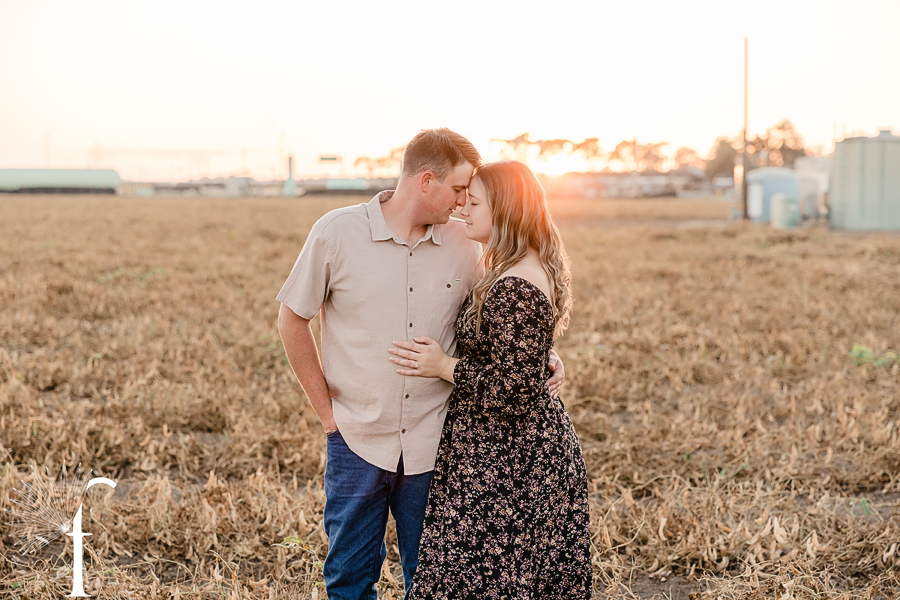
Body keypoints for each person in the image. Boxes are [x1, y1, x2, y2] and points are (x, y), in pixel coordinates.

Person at [276, 130, 565, 600]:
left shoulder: (466, 243)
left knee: (435, 583)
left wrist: (542, 355)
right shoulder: (335, 233)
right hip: (356, 438)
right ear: (426, 181)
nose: (463, 203)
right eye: (457, 191)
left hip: (438, 444)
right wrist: (329, 416)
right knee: (349, 579)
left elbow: (498, 321)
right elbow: (292, 320)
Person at [388, 161, 592, 599]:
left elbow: (511, 392)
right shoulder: (517, 266)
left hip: (510, 466)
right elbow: (518, 353)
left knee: (485, 580)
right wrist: (545, 358)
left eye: (475, 202)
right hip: (505, 457)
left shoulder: (514, 285)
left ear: (504, 209)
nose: (464, 207)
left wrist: (443, 366)